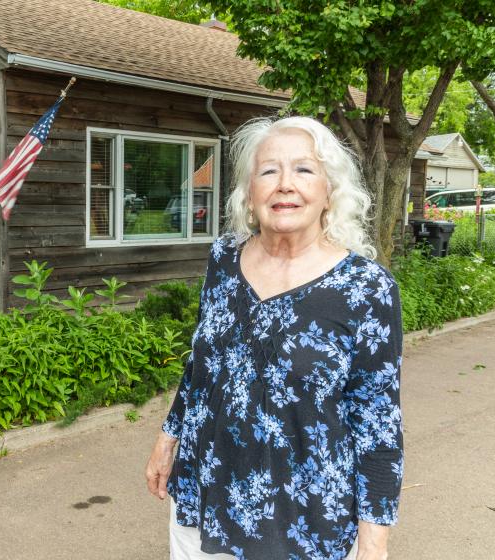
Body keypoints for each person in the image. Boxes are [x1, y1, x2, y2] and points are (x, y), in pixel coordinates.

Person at [145, 116, 403, 560]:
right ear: (249, 191)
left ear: (330, 191)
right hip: (206, 493)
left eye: (304, 169)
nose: (285, 184)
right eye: (269, 171)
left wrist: (374, 541)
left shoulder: (366, 288)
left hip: (305, 522)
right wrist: (168, 439)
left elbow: (377, 421)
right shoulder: (223, 258)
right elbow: (201, 366)